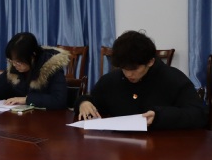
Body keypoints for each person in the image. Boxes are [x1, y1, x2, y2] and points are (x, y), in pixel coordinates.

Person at [76, 30, 207, 129]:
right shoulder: (111, 80)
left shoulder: (173, 79)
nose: (128, 74)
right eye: (124, 68)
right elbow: (93, 102)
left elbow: (198, 115)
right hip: (122, 148)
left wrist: (160, 116)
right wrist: (84, 103)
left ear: (150, 61)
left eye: (134, 69)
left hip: (164, 149)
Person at [0, 32, 70, 109]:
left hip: (46, 121)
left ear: (32, 56)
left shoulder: (51, 68)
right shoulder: (14, 69)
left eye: (19, 62)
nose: (14, 65)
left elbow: (59, 101)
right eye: (11, 61)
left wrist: (26, 99)